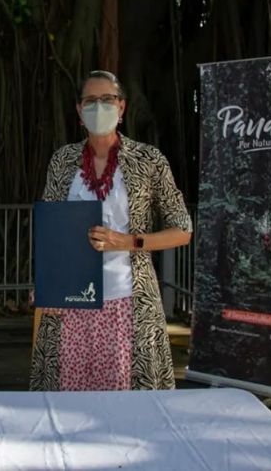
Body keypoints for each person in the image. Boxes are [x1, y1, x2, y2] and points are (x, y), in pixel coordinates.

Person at [30, 70, 192, 391]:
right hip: (71, 303)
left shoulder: (148, 160)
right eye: (91, 100)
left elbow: (183, 230)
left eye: (107, 99)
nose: (99, 106)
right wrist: (46, 284)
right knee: (68, 402)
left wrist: (129, 241)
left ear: (122, 107)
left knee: (126, 405)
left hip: (127, 302)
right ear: (78, 110)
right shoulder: (63, 161)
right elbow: (51, 232)